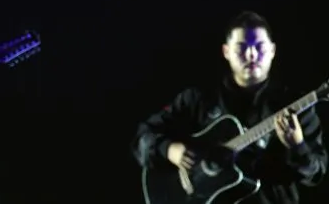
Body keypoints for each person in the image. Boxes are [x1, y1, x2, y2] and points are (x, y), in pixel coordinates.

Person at [132, 11, 327, 204]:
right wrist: (168, 149)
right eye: (241, 47)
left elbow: (316, 173)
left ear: (273, 51)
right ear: (226, 52)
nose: (251, 54)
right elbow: (143, 137)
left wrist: (298, 146)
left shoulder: (294, 106)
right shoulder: (198, 99)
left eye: (260, 47)